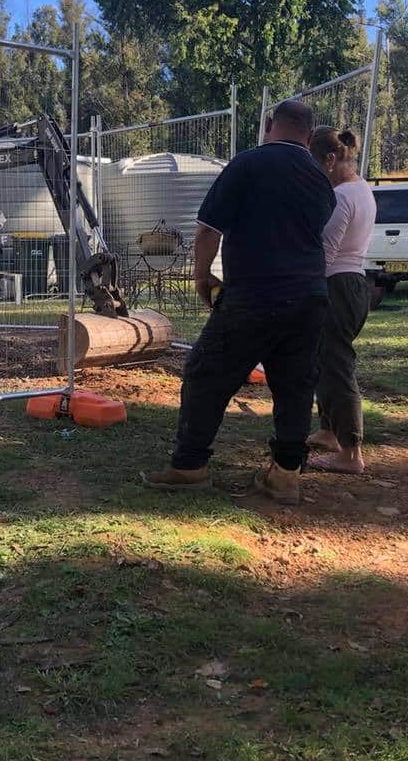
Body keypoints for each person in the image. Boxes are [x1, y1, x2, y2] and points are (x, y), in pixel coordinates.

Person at [143, 99, 335, 504]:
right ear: (308, 132)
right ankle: (285, 475)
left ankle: (189, 465)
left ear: (270, 126)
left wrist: (202, 274)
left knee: (205, 374)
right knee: (295, 385)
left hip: (255, 294)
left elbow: (208, 229)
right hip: (310, 297)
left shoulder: (248, 164)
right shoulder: (320, 178)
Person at [305, 127, 376, 473]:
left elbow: (325, 253)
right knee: (325, 361)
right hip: (351, 283)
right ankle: (329, 431)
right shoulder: (361, 189)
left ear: (331, 160)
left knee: (337, 366)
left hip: (338, 286)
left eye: (314, 164)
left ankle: (351, 452)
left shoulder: (343, 197)